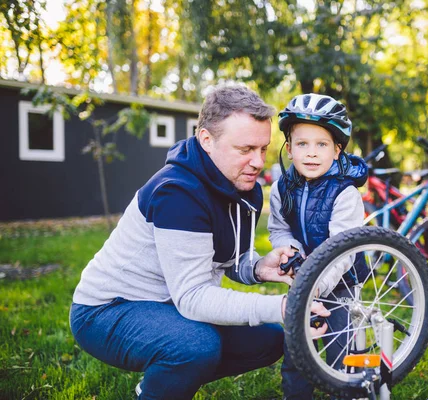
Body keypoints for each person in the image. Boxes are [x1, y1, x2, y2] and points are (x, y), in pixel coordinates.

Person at [69, 84, 328, 400]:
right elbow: (192, 296)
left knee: (271, 339)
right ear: (207, 139)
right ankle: (161, 385)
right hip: (106, 310)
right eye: (245, 149)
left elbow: (228, 261)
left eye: (263, 149)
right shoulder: (177, 192)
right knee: (196, 345)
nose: (258, 162)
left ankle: (167, 378)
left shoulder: (240, 184)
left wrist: (260, 267)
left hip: (168, 306)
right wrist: (283, 306)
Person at [268, 93, 369, 399]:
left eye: (321, 144)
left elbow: (343, 251)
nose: (311, 153)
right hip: (302, 282)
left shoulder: (345, 194)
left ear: (338, 150)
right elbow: (279, 229)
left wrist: (313, 286)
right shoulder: (282, 188)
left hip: (341, 285)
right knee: (298, 353)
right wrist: (291, 253)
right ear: (289, 148)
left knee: (344, 357)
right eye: (302, 144)